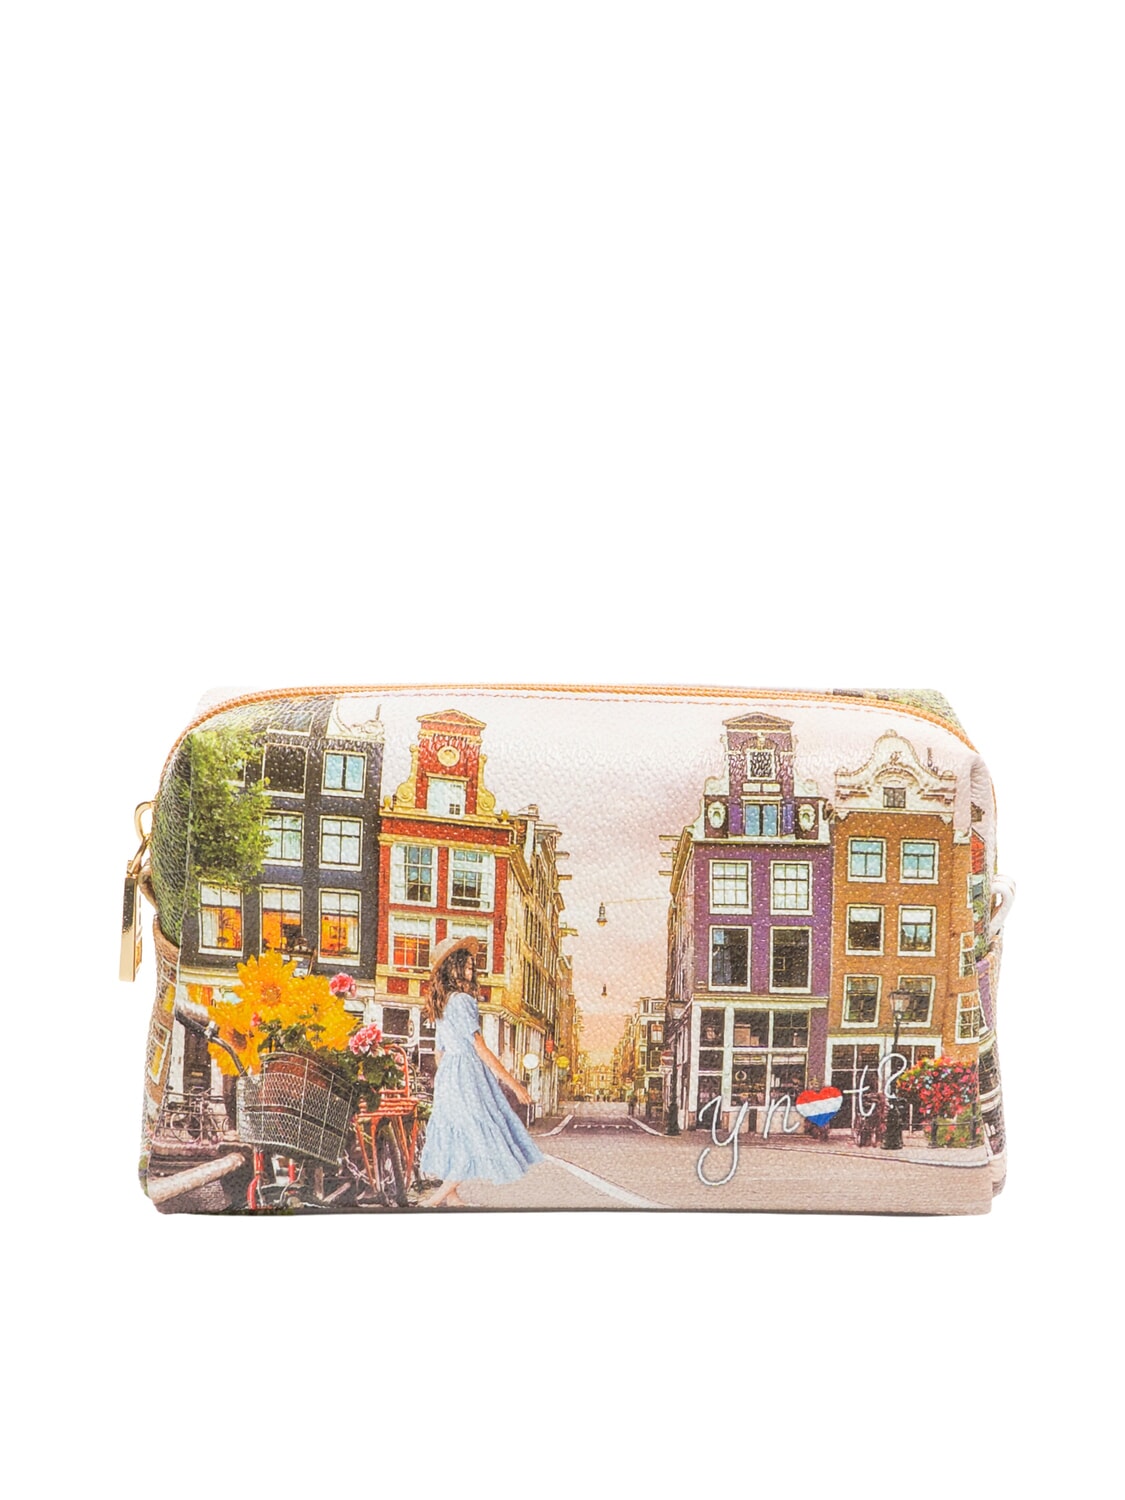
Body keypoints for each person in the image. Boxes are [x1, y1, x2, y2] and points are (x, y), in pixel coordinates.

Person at [419, 935, 544, 1208]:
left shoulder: (442, 1002)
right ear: (452, 969)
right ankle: (434, 1200)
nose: (471, 971)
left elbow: (439, 1051)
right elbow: (481, 1048)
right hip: (467, 1073)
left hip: (448, 1074)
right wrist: (514, 1085)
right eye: (466, 966)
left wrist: (447, 1079)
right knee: (475, 1134)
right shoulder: (462, 1001)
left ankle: (452, 1198)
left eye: (471, 967)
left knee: (457, 1133)